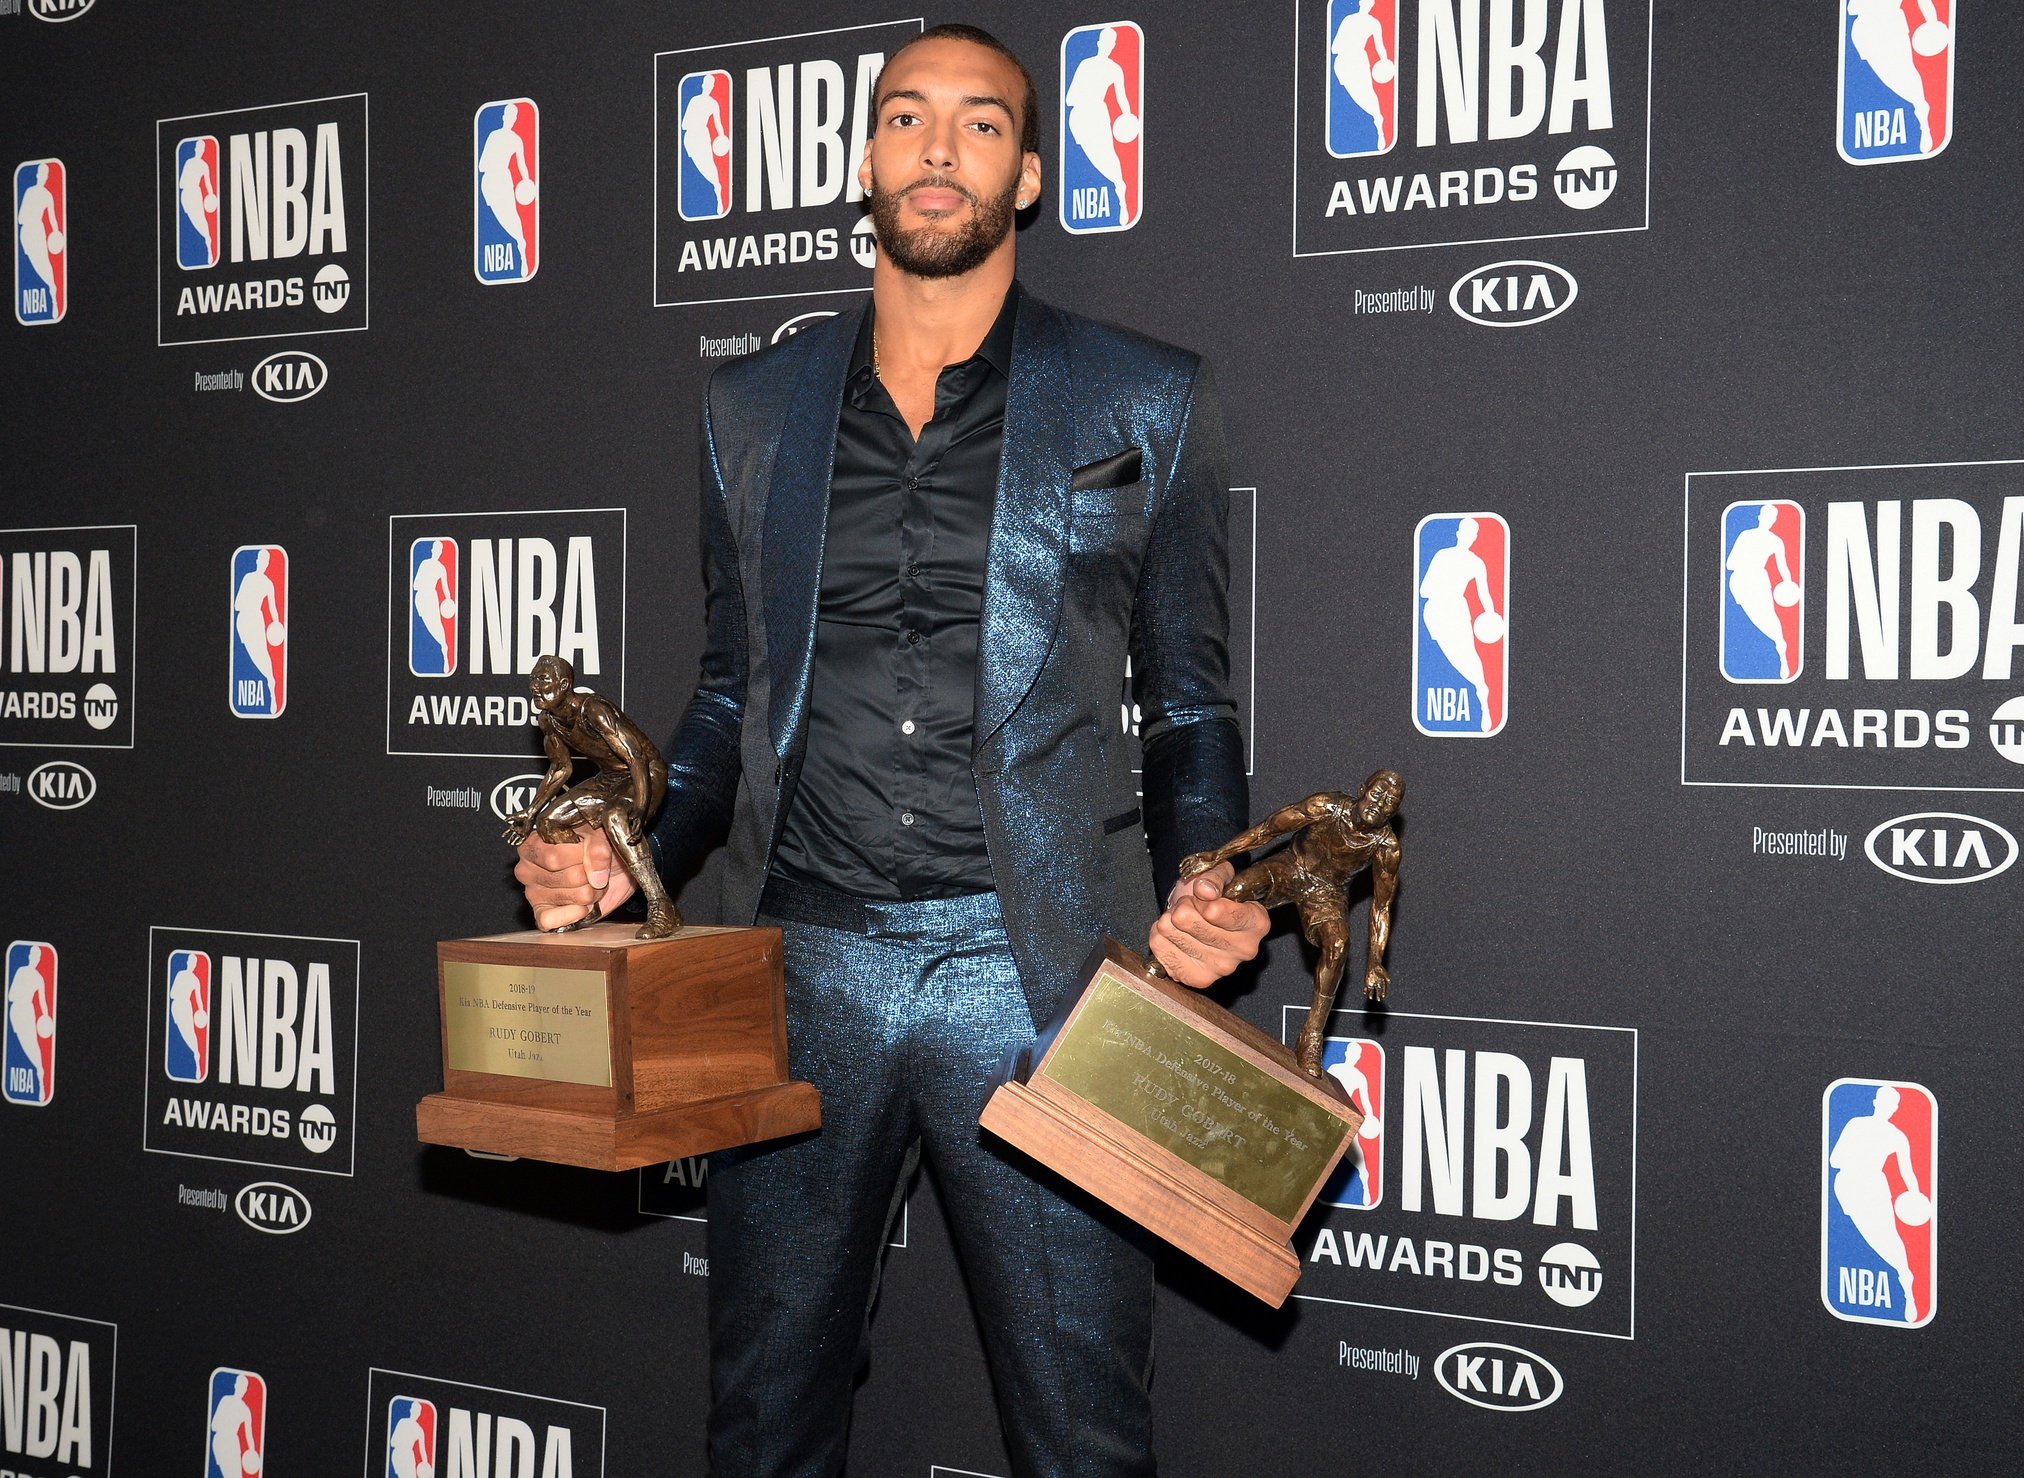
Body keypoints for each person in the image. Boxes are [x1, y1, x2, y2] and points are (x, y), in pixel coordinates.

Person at [515, 24, 1267, 1475]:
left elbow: (1188, 701)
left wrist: (1210, 878)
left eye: (980, 125)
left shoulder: (1147, 399)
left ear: (1030, 174)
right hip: (802, 969)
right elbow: (731, 705)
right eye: (907, 118)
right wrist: (626, 862)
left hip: (1044, 978)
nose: (938, 148)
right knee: (765, 1420)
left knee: (1084, 1435)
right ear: (864, 161)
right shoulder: (747, 411)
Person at [1173, 772, 1402, 1074]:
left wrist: (1375, 962)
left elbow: (1381, 906)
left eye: (1388, 802)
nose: (1379, 803)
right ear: (1361, 789)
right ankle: (1170, 955)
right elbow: (1269, 829)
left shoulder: (1386, 848)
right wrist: (1216, 855)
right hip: (1290, 866)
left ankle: (1311, 1038)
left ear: (1393, 813)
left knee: (1338, 944)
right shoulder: (1325, 806)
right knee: (1233, 892)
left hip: (1327, 892)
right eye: (1377, 793)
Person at [1829, 1083, 1925, 1323]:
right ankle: (1905, 1275)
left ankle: (1906, 1280)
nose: (1890, 1108)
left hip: (1871, 1188)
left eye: (1893, 1105)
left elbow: (1908, 1173)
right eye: (1888, 1103)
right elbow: (1833, 1160)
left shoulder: (1895, 1136)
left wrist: (1915, 1195)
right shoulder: (1858, 1125)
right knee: (1874, 1238)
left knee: (1888, 1237)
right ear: (1877, 1103)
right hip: (1850, 1188)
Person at [1418, 516, 1500, 733]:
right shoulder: (1442, 555)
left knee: (1468, 655)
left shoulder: (1476, 563)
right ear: (1458, 533)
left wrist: (1490, 615)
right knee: (1449, 657)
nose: (1468, 537)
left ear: (1475, 537)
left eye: (1473, 533)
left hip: (1456, 611)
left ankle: (1482, 694)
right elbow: (1423, 590)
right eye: (1466, 531)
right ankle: (1480, 689)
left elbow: (1485, 594)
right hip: (1435, 612)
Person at [1846, 0, 1943, 154]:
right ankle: (1918, 105)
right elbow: (1851, 8)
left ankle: (1922, 115)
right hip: (1864, 30)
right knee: (1887, 78)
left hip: (1889, 25)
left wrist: (1932, 22)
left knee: (1906, 71)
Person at [1063, 26, 1136, 226]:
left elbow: (1122, 98)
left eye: (1111, 42)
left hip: (1097, 116)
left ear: (1113, 45)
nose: (1108, 46)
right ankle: (1119, 187)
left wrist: (1127, 116)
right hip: (1079, 118)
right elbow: (1069, 98)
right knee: (1090, 160)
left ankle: (1120, 192)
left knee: (1108, 157)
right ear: (1099, 43)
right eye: (1105, 41)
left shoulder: (1114, 69)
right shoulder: (1085, 65)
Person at [1725, 503, 1795, 678]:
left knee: (1769, 616)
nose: (1769, 520)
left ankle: (1782, 650)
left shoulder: (1775, 541)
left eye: (1772, 517)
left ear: (1774, 520)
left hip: (1759, 581)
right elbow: (1729, 564)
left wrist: (1788, 583)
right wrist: (1747, 561)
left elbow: (1783, 567)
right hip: (1739, 582)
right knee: (1753, 618)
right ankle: (1774, 646)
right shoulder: (1745, 535)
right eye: (1766, 515)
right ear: (1760, 517)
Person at [477, 103, 533, 278]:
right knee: (501, 218)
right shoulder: (493, 136)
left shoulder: (516, 140)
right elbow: (481, 165)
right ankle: (520, 242)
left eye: (513, 116)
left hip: (503, 179)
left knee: (512, 216)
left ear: (515, 119)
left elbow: (522, 164)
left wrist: (526, 181)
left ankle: (522, 248)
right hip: (489, 182)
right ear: (503, 117)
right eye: (508, 115)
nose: (510, 119)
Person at [1330, 0, 1393, 146]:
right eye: (1365, 3)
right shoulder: (1348, 19)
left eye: (1369, 4)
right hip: (1343, 63)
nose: (1367, 6)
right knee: (1354, 96)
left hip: (1359, 61)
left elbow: (1380, 46)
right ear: (1360, 4)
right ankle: (1375, 120)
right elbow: (1334, 47)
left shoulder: (1373, 23)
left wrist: (1384, 62)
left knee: (1367, 92)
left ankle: (1378, 122)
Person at [232, 549, 282, 714]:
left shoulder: (266, 583)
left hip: (254, 621)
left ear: (266, 563)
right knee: (254, 656)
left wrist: (275, 624)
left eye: (265, 560)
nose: (262, 562)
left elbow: (272, 607)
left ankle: (272, 686)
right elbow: (236, 605)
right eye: (261, 559)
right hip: (245, 622)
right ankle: (271, 682)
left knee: (263, 657)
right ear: (259, 561)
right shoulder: (250, 578)